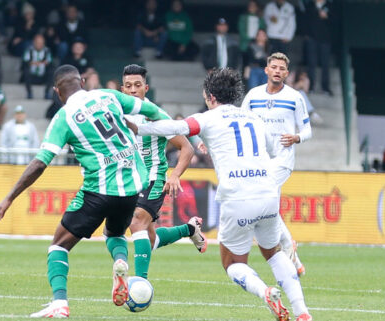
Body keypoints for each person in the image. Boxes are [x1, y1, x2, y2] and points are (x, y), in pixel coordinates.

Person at [0, 64, 169, 318]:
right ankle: (121, 262)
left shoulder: (64, 117)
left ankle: (59, 303)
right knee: (114, 232)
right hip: (131, 187)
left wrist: (9, 197)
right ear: (82, 81)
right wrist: (179, 129)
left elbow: (40, 163)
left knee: (58, 246)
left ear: (56, 91)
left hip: (98, 190)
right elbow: (151, 109)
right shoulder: (108, 95)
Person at [131, 68, 312, 321]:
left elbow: (177, 127)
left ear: (209, 96)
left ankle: (265, 291)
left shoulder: (208, 118)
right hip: (268, 192)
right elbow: (271, 149)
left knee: (233, 263)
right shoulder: (254, 118)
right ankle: (302, 312)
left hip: (237, 198)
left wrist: (136, 128)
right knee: (273, 253)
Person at [121, 64, 203, 280]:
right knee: (150, 238)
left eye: (137, 85)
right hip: (128, 180)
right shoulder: (116, 115)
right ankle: (189, 230)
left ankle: (139, 285)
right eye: (128, 86)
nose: (132, 90)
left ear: (146, 88)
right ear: (122, 90)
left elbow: (186, 147)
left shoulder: (156, 115)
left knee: (136, 221)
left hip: (153, 178)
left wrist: (174, 175)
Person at [241, 52, 311, 277]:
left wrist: (296, 137)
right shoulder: (253, 95)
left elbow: (308, 129)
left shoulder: (295, 97)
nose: (278, 71)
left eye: (282, 68)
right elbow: (241, 122)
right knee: (268, 208)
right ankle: (294, 258)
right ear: (267, 70)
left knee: (263, 198)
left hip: (282, 161)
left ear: (287, 73)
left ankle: (288, 246)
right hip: (258, 161)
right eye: (274, 67)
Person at [303, 0, 334, 95]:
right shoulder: (310, 6)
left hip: (325, 39)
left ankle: (325, 88)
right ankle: (310, 86)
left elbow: (336, 21)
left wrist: (327, 17)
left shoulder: (330, 6)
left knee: (325, 64)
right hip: (312, 38)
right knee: (311, 63)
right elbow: (305, 20)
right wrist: (306, 34)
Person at [22, 34, 53, 99]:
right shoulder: (29, 50)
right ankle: (29, 93)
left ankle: (47, 93)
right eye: (37, 43)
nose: (39, 45)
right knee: (26, 70)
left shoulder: (47, 50)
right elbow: (25, 61)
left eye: (41, 43)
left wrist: (35, 63)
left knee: (51, 71)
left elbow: (49, 61)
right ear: (34, 42)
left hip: (43, 76)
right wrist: (39, 63)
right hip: (32, 76)